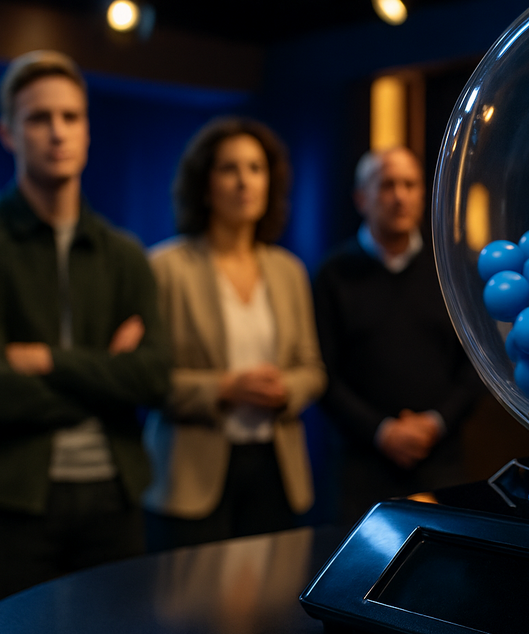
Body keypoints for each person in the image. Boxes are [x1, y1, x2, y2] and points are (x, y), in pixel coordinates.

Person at [0, 50, 171, 597]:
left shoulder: (123, 252)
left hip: (115, 498)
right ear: (8, 133)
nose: (57, 132)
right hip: (17, 499)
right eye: (38, 118)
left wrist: (48, 362)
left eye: (71, 117)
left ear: (88, 131)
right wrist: (106, 375)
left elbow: (154, 378)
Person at [141, 116, 326, 549]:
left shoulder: (288, 270)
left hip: (276, 470)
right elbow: (148, 381)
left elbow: (313, 369)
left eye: (255, 168)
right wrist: (225, 388)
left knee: (271, 610)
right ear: (204, 184)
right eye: (229, 168)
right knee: (190, 613)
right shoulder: (166, 268)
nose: (244, 181)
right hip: (190, 477)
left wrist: (285, 389)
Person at [314, 146, 483, 523]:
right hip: (360, 468)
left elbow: (476, 365)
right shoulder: (333, 274)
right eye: (387, 185)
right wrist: (381, 431)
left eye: (410, 184)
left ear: (423, 194)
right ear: (362, 198)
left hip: (442, 462)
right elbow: (322, 374)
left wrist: (435, 422)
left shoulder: (451, 270)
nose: (400, 196)